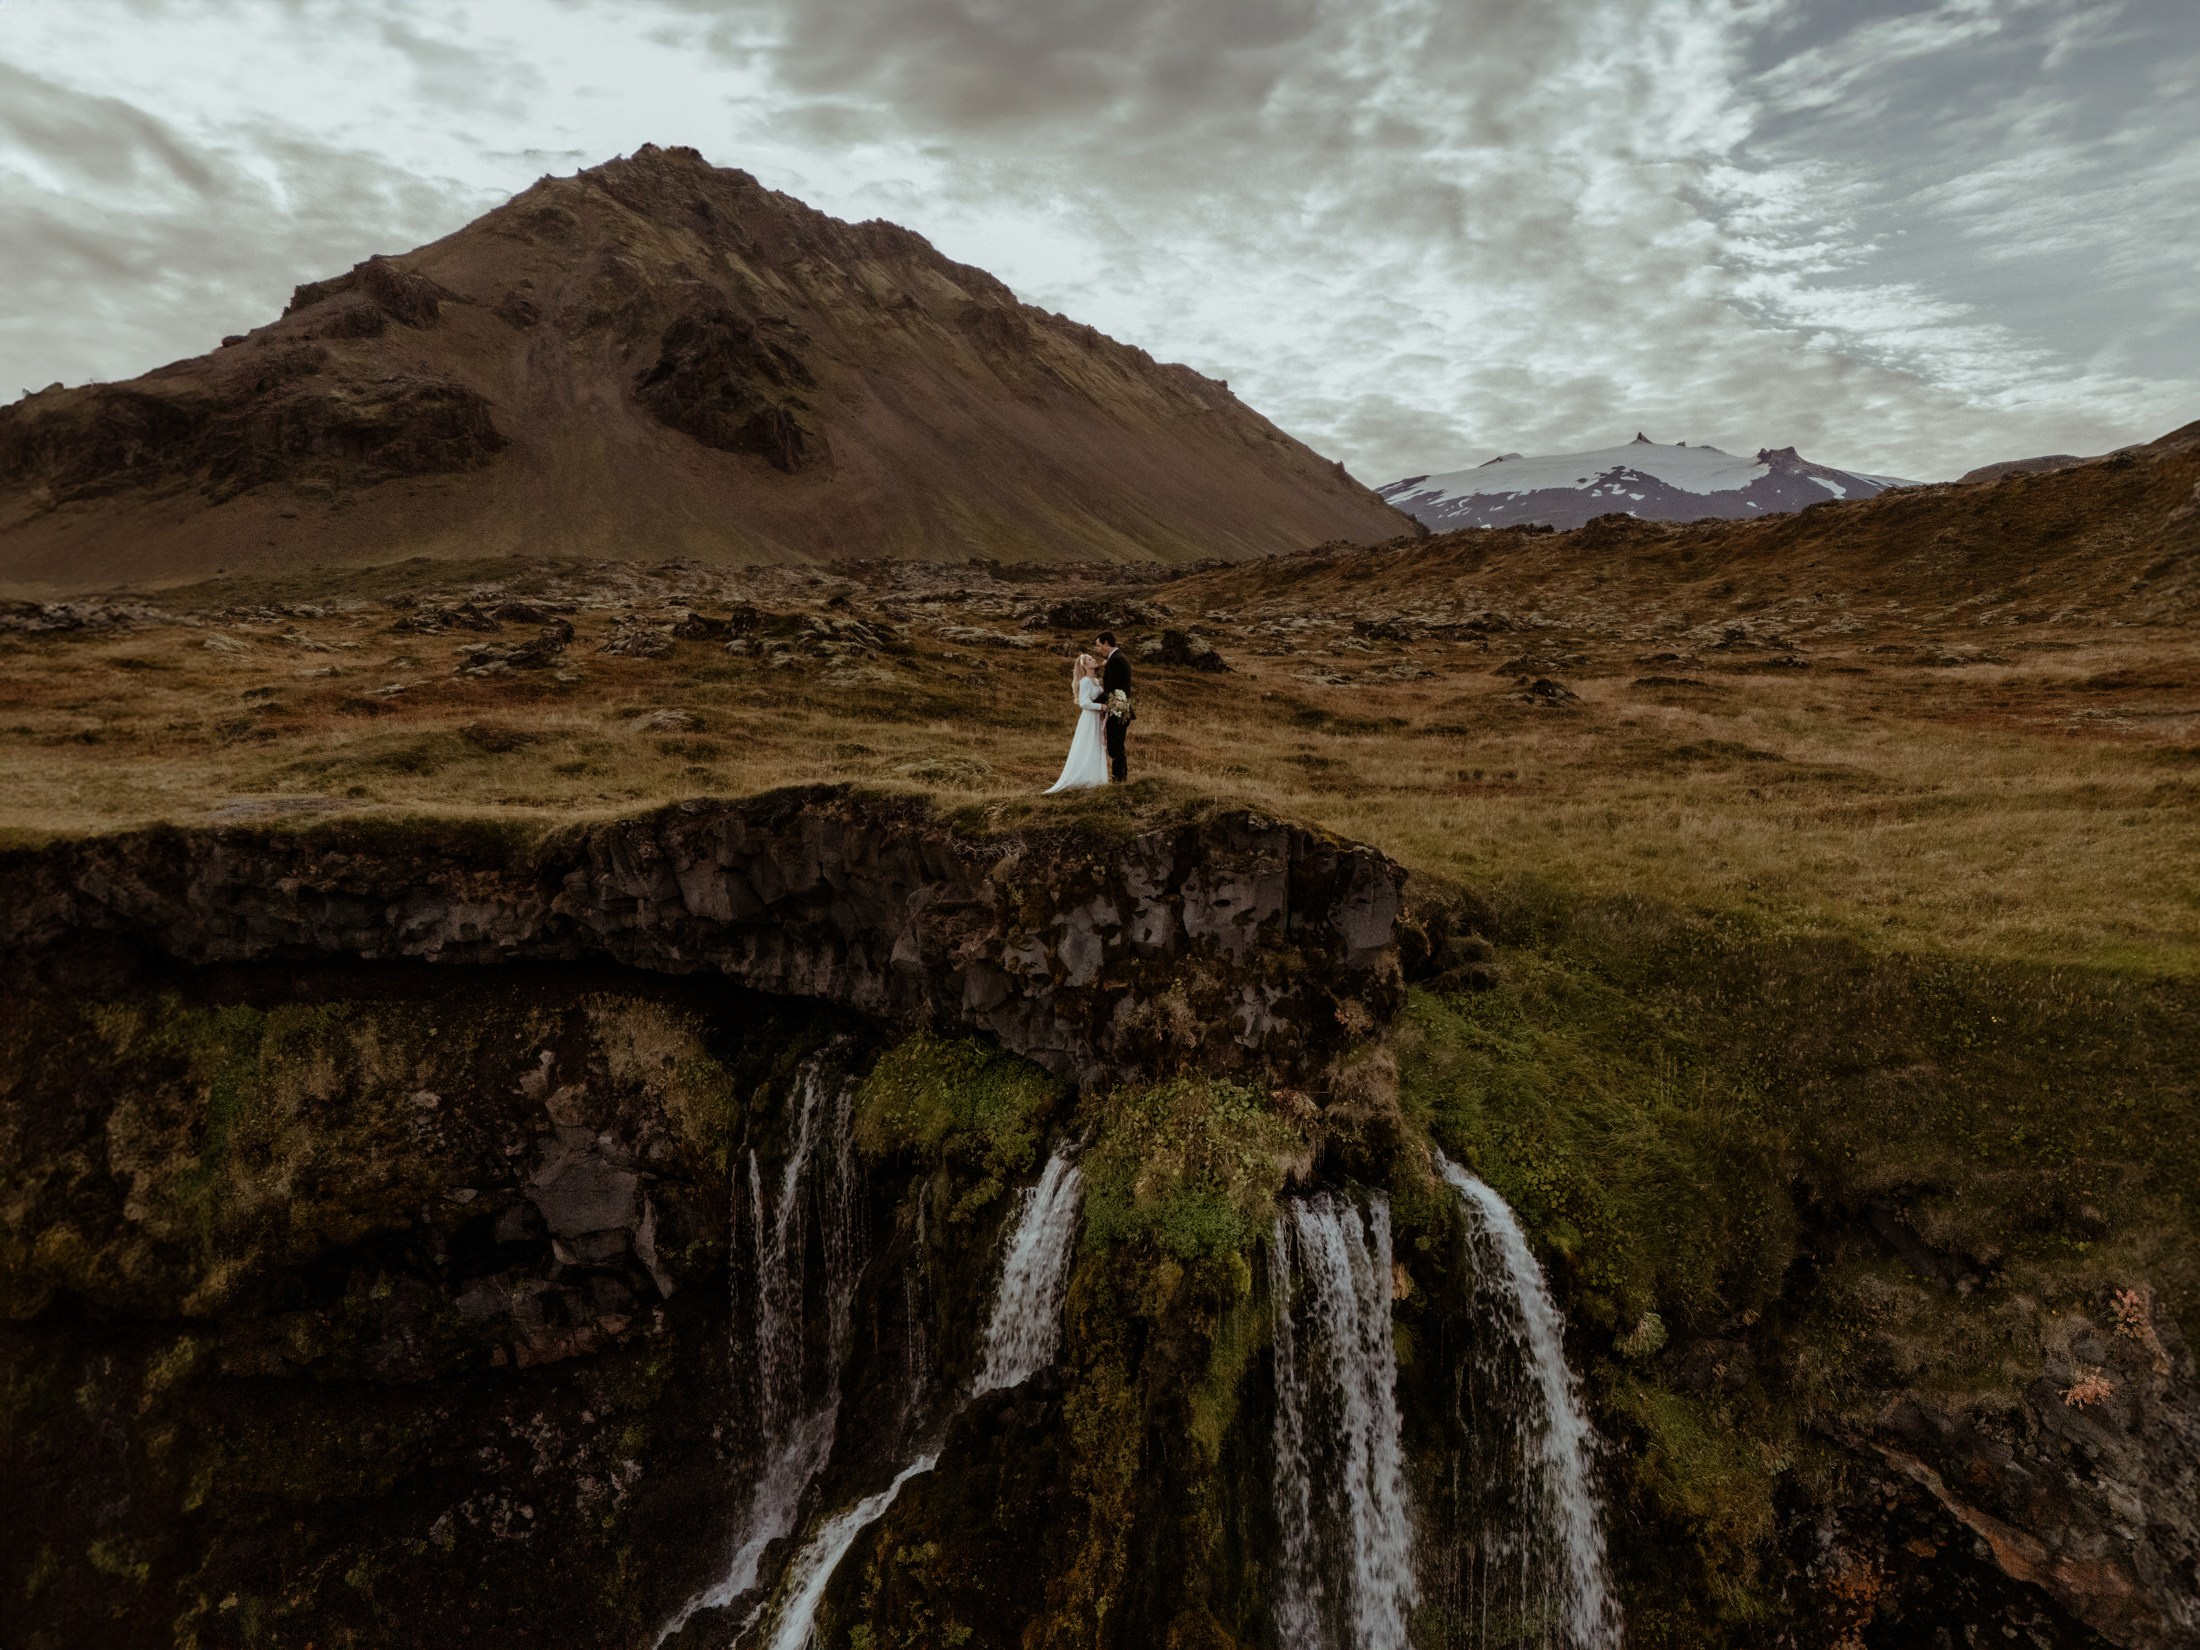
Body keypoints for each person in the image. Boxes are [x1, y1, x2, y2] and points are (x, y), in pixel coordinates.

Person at [1042, 652, 1110, 793]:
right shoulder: (1085, 681)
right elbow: (1084, 703)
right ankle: (1085, 778)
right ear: (1085, 665)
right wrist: (1101, 707)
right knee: (1089, 745)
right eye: (1090, 659)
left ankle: (1096, 777)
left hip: (1097, 718)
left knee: (1096, 745)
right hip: (1090, 718)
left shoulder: (1095, 680)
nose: (1094, 660)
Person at [1096, 632, 1131, 783]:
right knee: (1117, 747)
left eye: (1099, 645)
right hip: (1119, 709)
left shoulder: (1116, 661)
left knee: (1115, 748)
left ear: (1106, 643)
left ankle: (1119, 780)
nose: (1099, 650)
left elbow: (1111, 689)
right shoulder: (1118, 658)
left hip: (1118, 710)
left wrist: (1093, 703)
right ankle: (1120, 779)